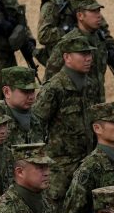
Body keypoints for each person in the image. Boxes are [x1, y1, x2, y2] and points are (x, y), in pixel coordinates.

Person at [30, 34, 99, 203]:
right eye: (82, 54)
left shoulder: (90, 85)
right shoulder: (55, 88)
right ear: (67, 57)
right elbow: (35, 124)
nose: (88, 58)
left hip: (86, 164)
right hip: (60, 169)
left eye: (89, 54)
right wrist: (43, 162)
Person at [37, 0, 114, 78]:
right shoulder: (53, 4)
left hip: (91, 64)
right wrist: (69, 30)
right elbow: (43, 35)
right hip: (65, 65)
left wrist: (110, 46)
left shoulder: (87, 1)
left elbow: (101, 26)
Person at [42, 0, 109, 99]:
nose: (99, 16)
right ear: (80, 15)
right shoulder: (67, 43)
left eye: (99, 11)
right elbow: (49, 80)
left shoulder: (99, 40)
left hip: (97, 106)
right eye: (93, 11)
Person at [0, 66, 44, 145]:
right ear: (7, 92)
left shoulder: (38, 117)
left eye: (32, 91)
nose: (31, 97)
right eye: (25, 91)